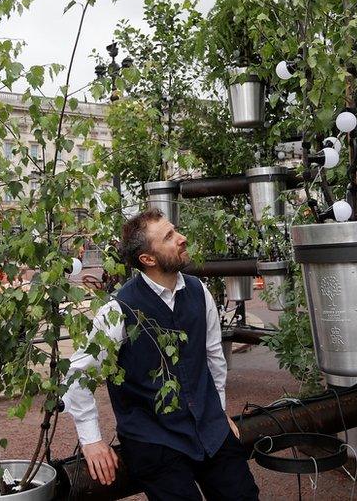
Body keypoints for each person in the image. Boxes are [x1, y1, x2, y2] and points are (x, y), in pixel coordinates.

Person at [62, 208, 260, 500]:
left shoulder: (199, 290)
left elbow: (213, 358)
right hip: (155, 440)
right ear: (148, 259)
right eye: (169, 236)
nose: (181, 238)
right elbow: (78, 374)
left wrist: (217, 411)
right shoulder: (118, 310)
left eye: (175, 230)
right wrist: (92, 440)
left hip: (209, 429)